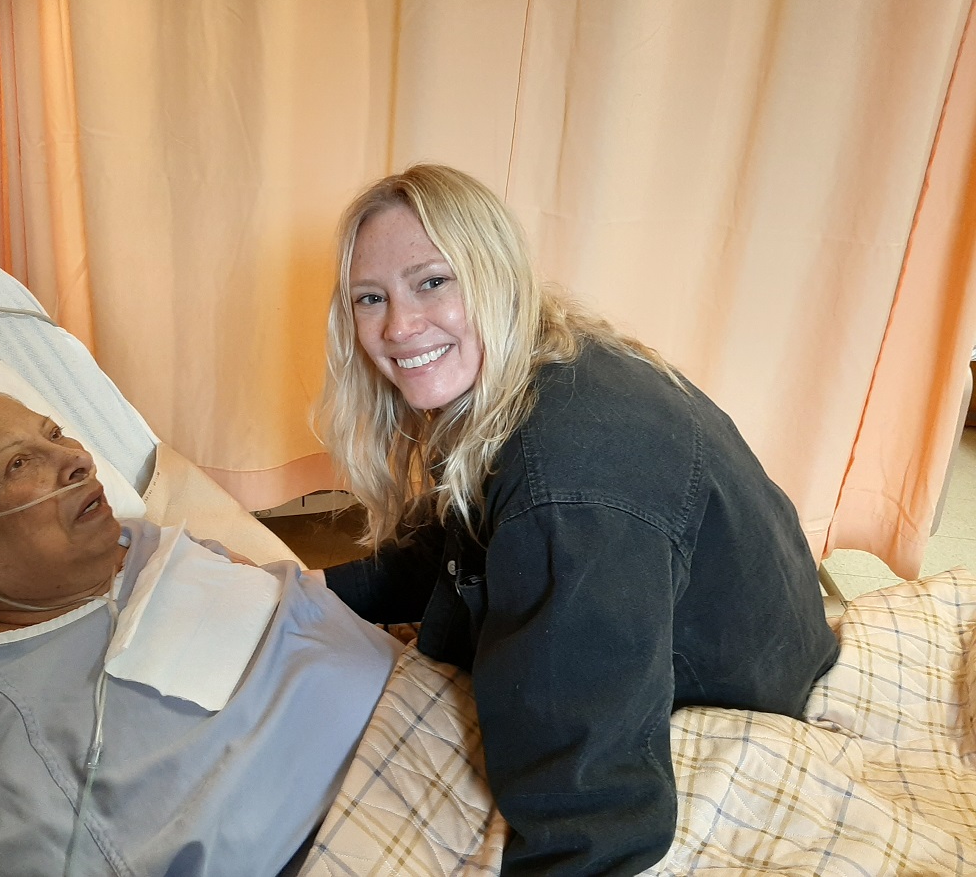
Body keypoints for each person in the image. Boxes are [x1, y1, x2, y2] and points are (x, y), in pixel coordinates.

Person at [316, 164, 840, 876]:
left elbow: (592, 817)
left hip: (735, 687)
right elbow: (451, 540)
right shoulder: (539, 366)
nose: (399, 326)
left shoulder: (564, 485)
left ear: (498, 277)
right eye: (370, 297)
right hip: (760, 625)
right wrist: (314, 589)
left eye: (433, 282)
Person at [0, 384, 401, 877]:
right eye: (18, 464)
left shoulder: (146, 541)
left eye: (54, 434)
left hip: (429, 703)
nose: (74, 459)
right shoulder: (11, 723)